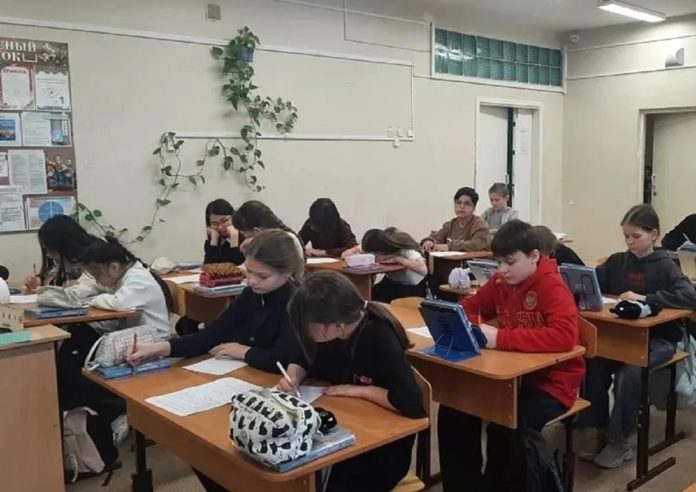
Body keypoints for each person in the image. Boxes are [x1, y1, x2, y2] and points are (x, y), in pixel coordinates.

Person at [438, 220, 584, 492]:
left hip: (551, 383)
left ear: (534, 256)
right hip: (510, 376)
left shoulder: (552, 286)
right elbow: (468, 307)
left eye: (510, 262)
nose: (502, 269)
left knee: (506, 424)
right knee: (455, 408)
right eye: (498, 262)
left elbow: (564, 336)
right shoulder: (500, 282)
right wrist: (473, 326)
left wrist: (500, 338)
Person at [278, 271, 425, 491]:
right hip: (342, 427)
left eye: (307, 327)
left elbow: (410, 401)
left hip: (381, 448)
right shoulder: (331, 331)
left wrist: (359, 390)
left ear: (334, 324)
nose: (305, 333)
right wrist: (293, 377)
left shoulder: (378, 335)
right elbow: (303, 358)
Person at [576, 204, 696, 469]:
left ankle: (618, 440)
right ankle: (594, 427)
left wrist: (646, 297)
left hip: (660, 340)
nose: (630, 242)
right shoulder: (618, 261)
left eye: (636, 236)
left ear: (654, 235)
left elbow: (690, 297)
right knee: (593, 363)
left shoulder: (665, 265)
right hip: (621, 338)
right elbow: (591, 284)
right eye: (626, 236)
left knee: (629, 372)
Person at [57, 236, 172, 473]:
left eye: (97, 274)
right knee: (75, 355)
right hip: (131, 341)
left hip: (152, 346)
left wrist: (92, 298)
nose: (97, 280)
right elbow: (99, 289)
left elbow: (119, 303)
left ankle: (111, 416)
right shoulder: (121, 276)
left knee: (78, 372)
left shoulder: (138, 279)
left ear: (114, 267)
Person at [128, 229, 303, 373]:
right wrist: (158, 348)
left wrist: (244, 352)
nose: (252, 281)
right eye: (249, 271)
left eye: (262, 276)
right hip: (245, 373)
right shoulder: (251, 294)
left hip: (272, 381)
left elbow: (285, 360)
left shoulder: (297, 303)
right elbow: (212, 335)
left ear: (287, 272)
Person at [343, 227, 428, 302]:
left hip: (411, 286)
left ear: (384, 249)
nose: (374, 257)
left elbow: (423, 270)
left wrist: (399, 259)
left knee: (385, 302)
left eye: (377, 255)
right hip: (391, 282)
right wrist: (352, 258)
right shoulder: (371, 246)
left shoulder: (404, 250)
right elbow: (345, 253)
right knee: (370, 297)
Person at [23, 215, 99, 292]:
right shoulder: (61, 262)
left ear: (68, 246)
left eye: (52, 251)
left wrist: (80, 285)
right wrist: (38, 281)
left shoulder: (96, 258)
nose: (48, 255)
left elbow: (101, 285)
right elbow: (52, 278)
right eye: (47, 250)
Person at [421, 187, 491, 252]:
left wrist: (450, 246)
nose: (462, 206)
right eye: (458, 203)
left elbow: (477, 244)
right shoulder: (450, 224)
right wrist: (429, 241)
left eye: (467, 204)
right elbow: (436, 237)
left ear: (474, 208)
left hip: (474, 260)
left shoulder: (480, 225)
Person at [231, 200, 298, 252]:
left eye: (243, 232)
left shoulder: (282, 242)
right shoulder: (270, 240)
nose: (244, 236)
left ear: (257, 231)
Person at [204, 198, 244, 265]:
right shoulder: (211, 242)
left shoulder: (246, 239)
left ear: (233, 217)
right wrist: (214, 240)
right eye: (215, 223)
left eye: (224, 221)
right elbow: (208, 268)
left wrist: (234, 237)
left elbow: (238, 266)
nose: (220, 227)